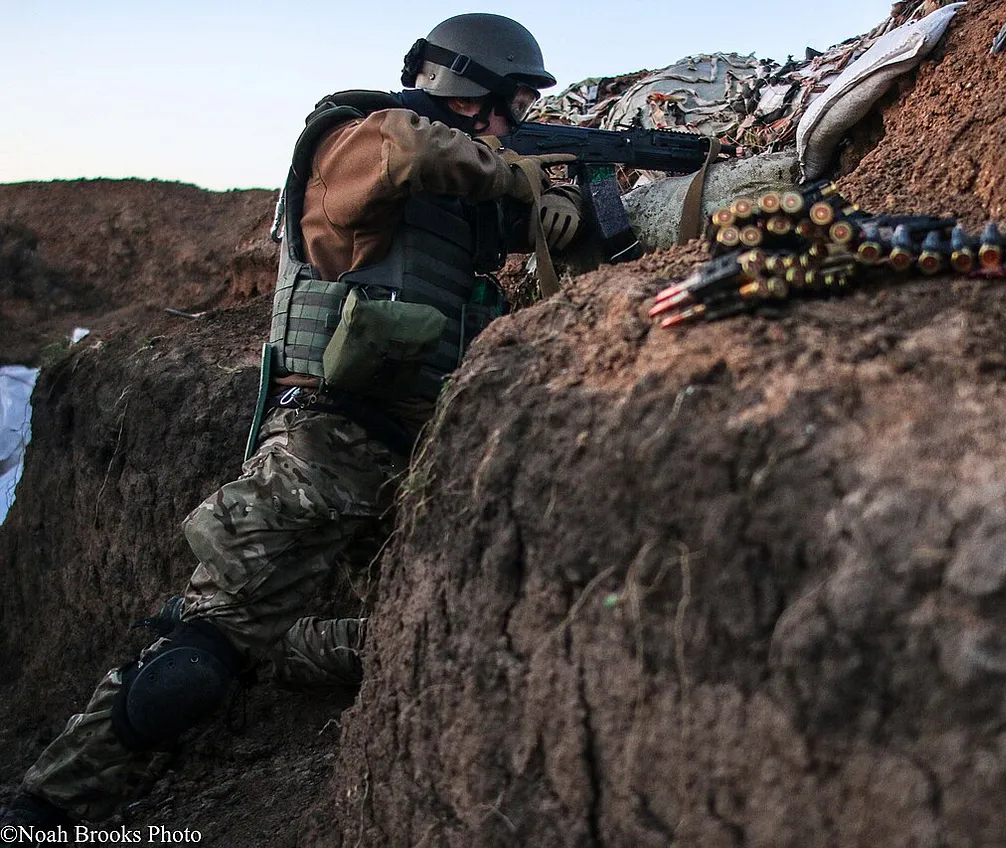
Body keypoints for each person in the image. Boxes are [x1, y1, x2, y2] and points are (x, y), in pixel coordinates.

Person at [1, 12, 584, 827]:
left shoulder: (461, 188)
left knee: (445, 626)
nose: (507, 124)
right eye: (505, 104)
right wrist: (517, 174)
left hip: (427, 452)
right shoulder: (358, 133)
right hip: (325, 445)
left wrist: (557, 207)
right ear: (463, 87)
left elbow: (514, 225)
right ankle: (42, 810)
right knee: (192, 667)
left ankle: (278, 643)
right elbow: (415, 153)